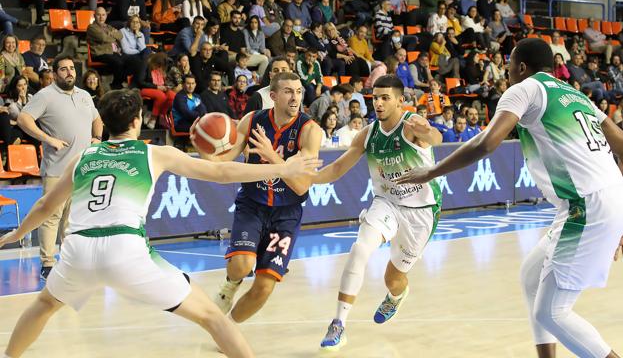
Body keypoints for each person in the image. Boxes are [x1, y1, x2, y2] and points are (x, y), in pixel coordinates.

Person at [0, 88, 322, 358]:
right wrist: (283, 169)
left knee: (43, 304)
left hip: (77, 250)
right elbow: (222, 173)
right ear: (138, 121)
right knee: (212, 317)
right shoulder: (153, 153)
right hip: (126, 249)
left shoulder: (84, 155)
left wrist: (18, 232)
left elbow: (45, 205)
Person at [394, 38, 623, 358]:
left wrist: (431, 172)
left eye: (509, 65)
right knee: (531, 276)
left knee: (552, 312)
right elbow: (621, 145)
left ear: (522, 67)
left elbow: (487, 143)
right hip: (604, 198)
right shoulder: (576, 96)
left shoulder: (524, 88)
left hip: (586, 204)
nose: (507, 72)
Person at [317, 74, 442, 351]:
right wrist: (307, 179)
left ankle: (396, 295)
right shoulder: (368, 134)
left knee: (393, 280)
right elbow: (336, 169)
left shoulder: (411, 127)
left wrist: (427, 128)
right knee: (360, 249)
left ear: (400, 101)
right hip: (385, 202)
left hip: (421, 211)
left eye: (386, 98)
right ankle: (338, 323)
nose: (379, 103)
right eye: (376, 98)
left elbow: (436, 137)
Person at [194, 72, 322, 324]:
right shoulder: (251, 120)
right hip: (253, 204)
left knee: (264, 287)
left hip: (286, 214)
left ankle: (226, 329)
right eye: (288, 91)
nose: (295, 97)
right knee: (241, 265)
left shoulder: (310, 130)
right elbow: (223, 161)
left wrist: (272, 155)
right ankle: (230, 286)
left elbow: (301, 187)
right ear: (273, 96)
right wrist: (203, 149)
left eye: (298, 91)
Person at [16, 55, 104, 280]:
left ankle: (69, 261)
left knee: (73, 218)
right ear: (55, 74)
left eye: (72, 69)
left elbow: (97, 119)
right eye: (63, 69)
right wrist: (47, 138)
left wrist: (97, 137)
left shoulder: (84, 95)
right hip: (57, 169)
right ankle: (47, 263)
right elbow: (24, 119)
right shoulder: (45, 95)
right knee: (51, 216)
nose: (69, 73)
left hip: (82, 169)